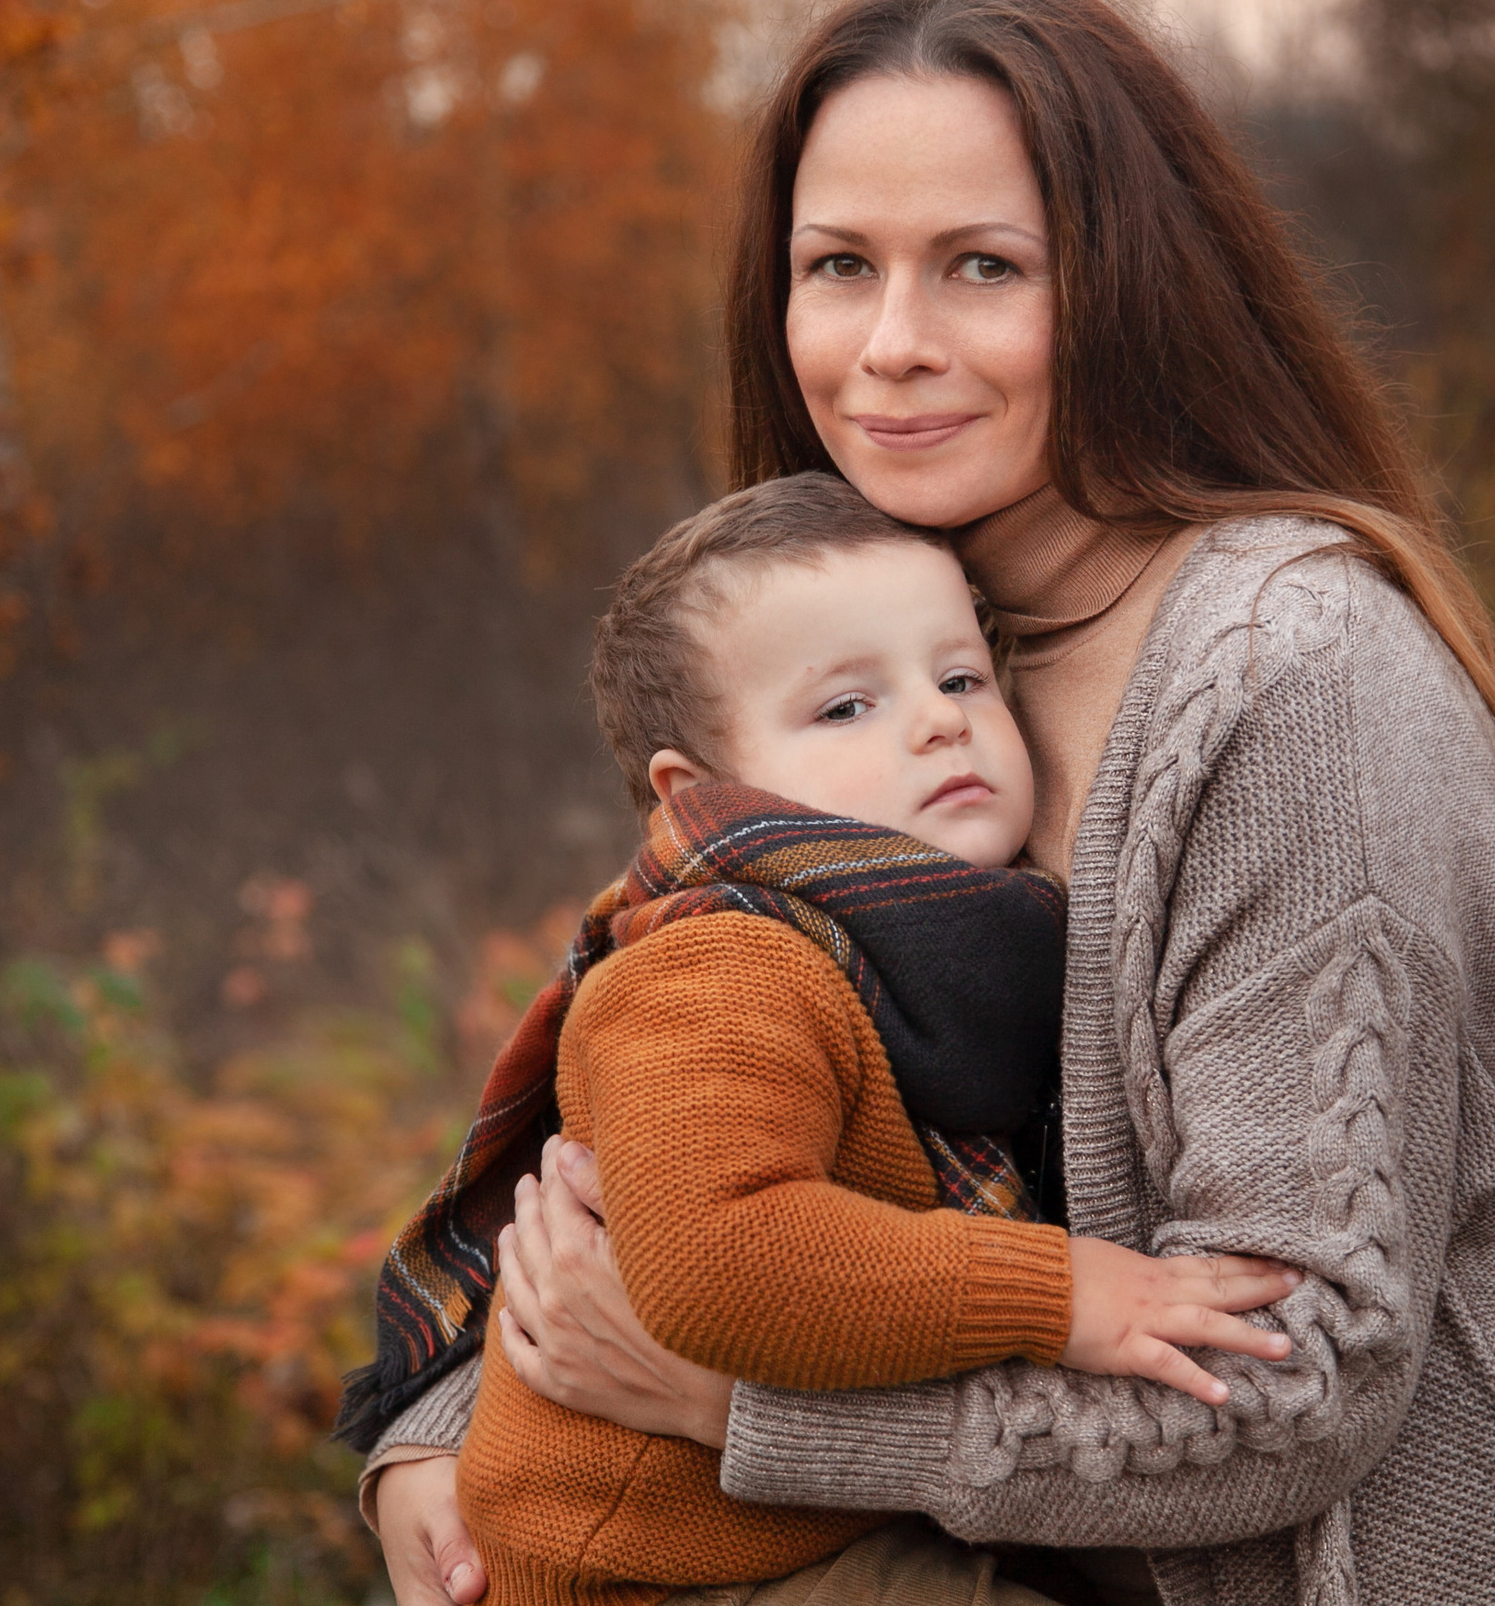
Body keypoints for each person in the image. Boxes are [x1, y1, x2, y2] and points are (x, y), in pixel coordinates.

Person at [371, 0, 1495, 1606]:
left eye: (982, 269)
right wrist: (444, 1427)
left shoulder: (1292, 685)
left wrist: (746, 1413)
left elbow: (1297, 1372)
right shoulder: (906, 655)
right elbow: (692, 1076)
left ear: (1123, 289)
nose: (890, 346)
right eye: (838, 268)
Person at [353, 472, 1299, 1606]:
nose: (940, 717)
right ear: (702, 792)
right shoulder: (716, 967)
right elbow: (721, 1259)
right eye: (846, 706)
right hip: (666, 1569)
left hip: (792, 1529)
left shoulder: (951, 953)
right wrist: (1063, 1294)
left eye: (959, 677)